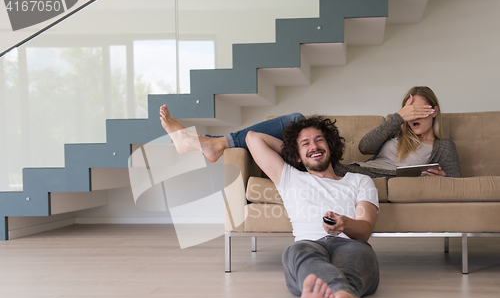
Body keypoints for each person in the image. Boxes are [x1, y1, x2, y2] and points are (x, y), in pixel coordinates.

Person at [245, 116, 380, 298]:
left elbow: (365, 230)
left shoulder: (360, 181)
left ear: (331, 146)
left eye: (319, 141)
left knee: (357, 257)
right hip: (308, 244)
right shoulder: (289, 176)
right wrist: (293, 151)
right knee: (297, 253)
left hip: (351, 244)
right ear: (296, 155)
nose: (314, 146)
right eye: (305, 143)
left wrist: (345, 224)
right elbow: (252, 137)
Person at [159, 86, 461, 178]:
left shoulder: (443, 147)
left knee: (294, 120)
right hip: (345, 168)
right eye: (410, 111)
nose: (413, 117)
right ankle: (215, 143)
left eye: (420, 110)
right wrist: (398, 118)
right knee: (295, 119)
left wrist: (442, 181)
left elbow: (458, 184)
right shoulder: (395, 133)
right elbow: (368, 147)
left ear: (434, 112)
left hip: (347, 176)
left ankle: (211, 144)